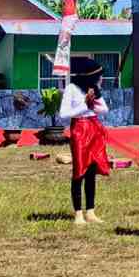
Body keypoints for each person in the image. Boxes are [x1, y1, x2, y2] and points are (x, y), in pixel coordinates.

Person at [61, 57, 110, 226]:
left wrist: (93, 103)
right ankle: (78, 214)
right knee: (79, 171)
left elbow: (104, 109)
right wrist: (85, 105)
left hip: (95, 129)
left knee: (91, 171)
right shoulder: (72, 89)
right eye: (98, 76)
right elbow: (64, 114)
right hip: (80, 130)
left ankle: (90, 211)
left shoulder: (94, 88)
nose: (100, 79)